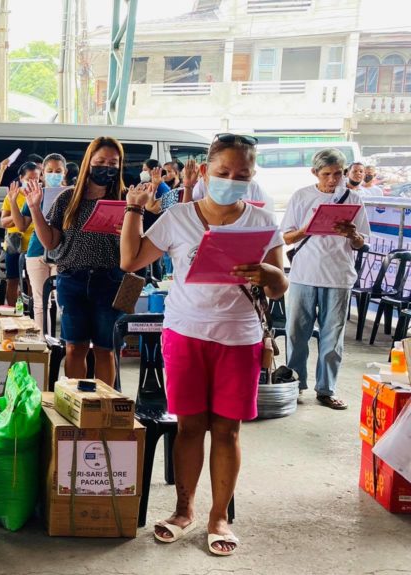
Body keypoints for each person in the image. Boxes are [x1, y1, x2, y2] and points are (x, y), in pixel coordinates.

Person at [119, 133, 288, 557]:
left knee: (227, 431)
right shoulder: (178, 217)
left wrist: (266, 273)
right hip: (185, 333)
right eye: (223, 172)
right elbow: (131, 260)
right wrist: (134, 210)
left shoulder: (263, 223)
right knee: (190, 426)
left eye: (242, 174)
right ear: (205, 171)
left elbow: (281, 285)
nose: (232, 180)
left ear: (252, 177)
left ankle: (218, 517)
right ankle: (183, 510)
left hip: (240, 337)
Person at [26, 138, 126, 385]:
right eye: (100, 161)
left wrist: (132, 222)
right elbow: (50, 242)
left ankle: (103, 409)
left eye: (112, 163)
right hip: (72, 279)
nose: (106, 167)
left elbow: (136, 248)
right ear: (88, 163)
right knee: (74, 347)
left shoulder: (126, 200)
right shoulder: (67, 198)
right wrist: (35, 209)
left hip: (110, 280)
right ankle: (76, 407)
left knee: (105, 349)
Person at [282, 148, 370, 410]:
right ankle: (294, 384)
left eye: (338, 174)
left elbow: (361, 241)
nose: (333, 179)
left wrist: (352, 235)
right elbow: (286, 237)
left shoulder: (353, 199)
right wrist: (308, 227)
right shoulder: (302, 196)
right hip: (303, 274)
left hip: (339, 276)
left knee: (333, 336)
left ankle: (326, 389)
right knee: (297, 333)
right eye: (327, 174)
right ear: (315, 173)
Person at [8, 153, 66, 329]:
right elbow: (21, 226)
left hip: (63, 252)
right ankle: (43, 344)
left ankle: (67, 344)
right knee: (40, 302)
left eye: (58, 171)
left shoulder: (71, 195)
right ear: (43, 173)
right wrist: (12, 202)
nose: (53, 174)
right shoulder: (36, 194)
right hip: (36, 252)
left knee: (65, 302)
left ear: (65, 173)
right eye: (49, 170)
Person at [0, 161, 40, 306]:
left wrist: (19, 218)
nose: (33, 182)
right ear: (21, 179)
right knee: (12, 280)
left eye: (36, 179)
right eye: (29, 179)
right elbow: (3, 222)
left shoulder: (40, 196)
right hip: (14, 243)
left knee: (32, 280)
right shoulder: (12, 196)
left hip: (33, 244)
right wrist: (19, 217)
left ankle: (30, 312)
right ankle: (11, 312)